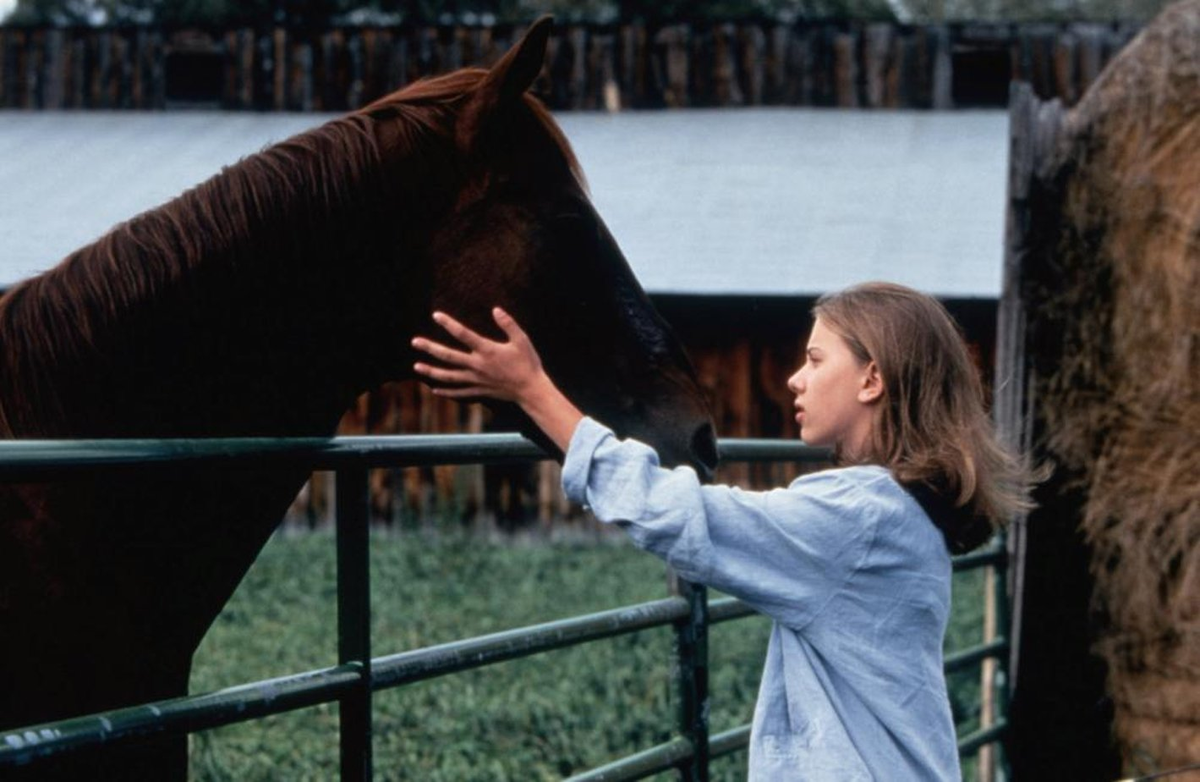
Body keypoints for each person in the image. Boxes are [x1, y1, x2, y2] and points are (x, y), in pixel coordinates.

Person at [411, 281, 1035, 781]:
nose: (795, 377)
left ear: (872, 380)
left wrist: (533, 391)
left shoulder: (860, 517)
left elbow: (678, 513)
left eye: (816, 359)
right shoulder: (897, 510)